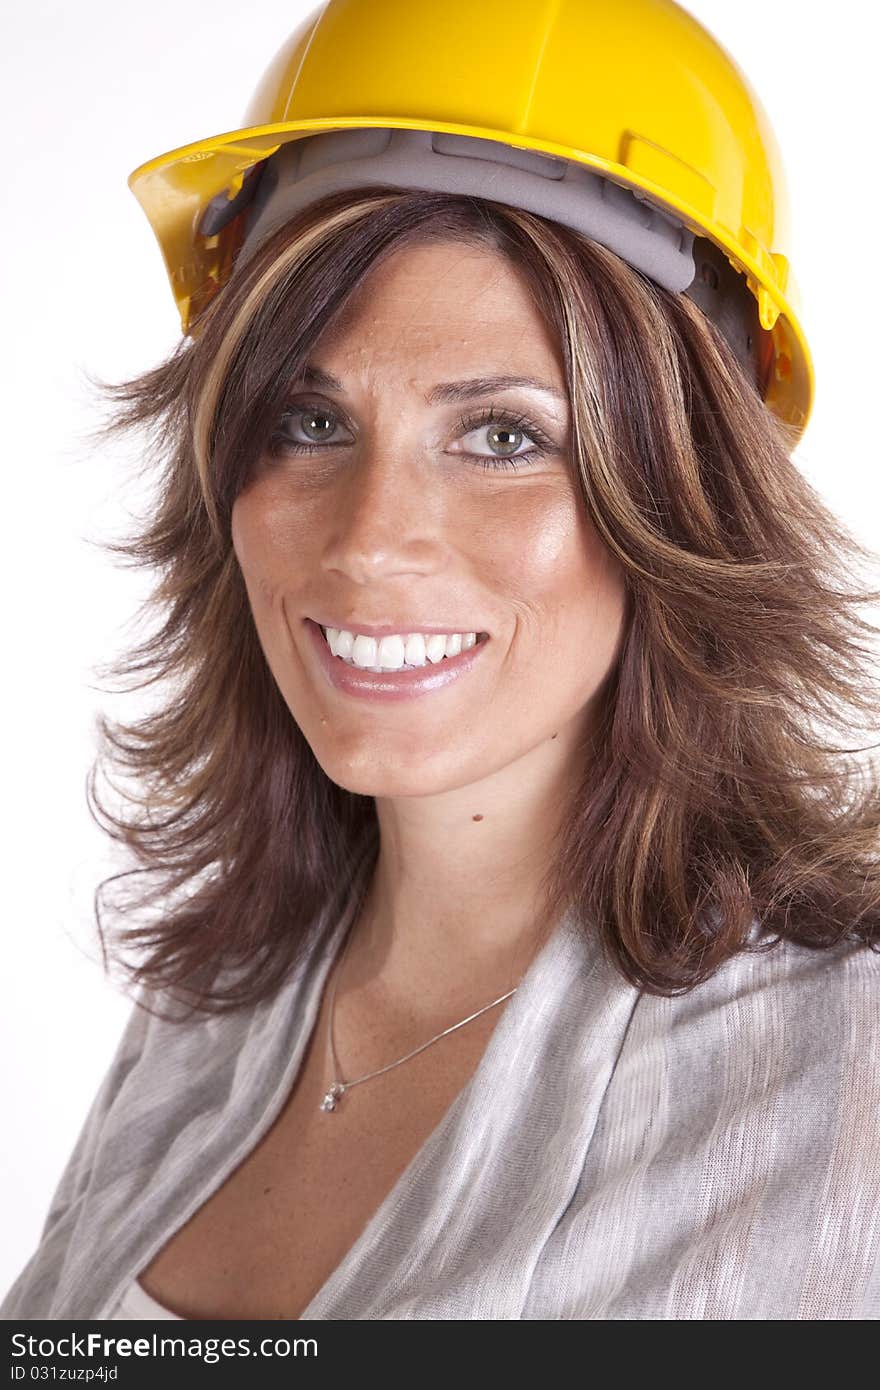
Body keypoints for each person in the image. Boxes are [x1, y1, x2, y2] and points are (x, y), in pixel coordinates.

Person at [4, 0, 880, 1321]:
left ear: (684, 495)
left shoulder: (846, 1079)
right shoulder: (222, 1003)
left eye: (504, 437)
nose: (368, 543)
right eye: (308, 419)